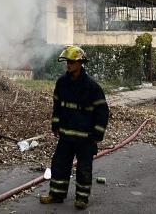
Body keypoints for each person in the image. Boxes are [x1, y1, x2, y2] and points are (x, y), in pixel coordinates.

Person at [40, 45, 110, 210]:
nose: (68, 65)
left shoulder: (92, 87)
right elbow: (57, 105)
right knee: (59, 164)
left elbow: (102, 111)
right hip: (66, 135)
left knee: (84, 168)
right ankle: (56, 194)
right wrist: (55, 124)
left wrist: (97, 134)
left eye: (71, 62)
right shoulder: (62, 83)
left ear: (80, 63)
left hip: (85, 138)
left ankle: (82, 198)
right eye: (67, 62)